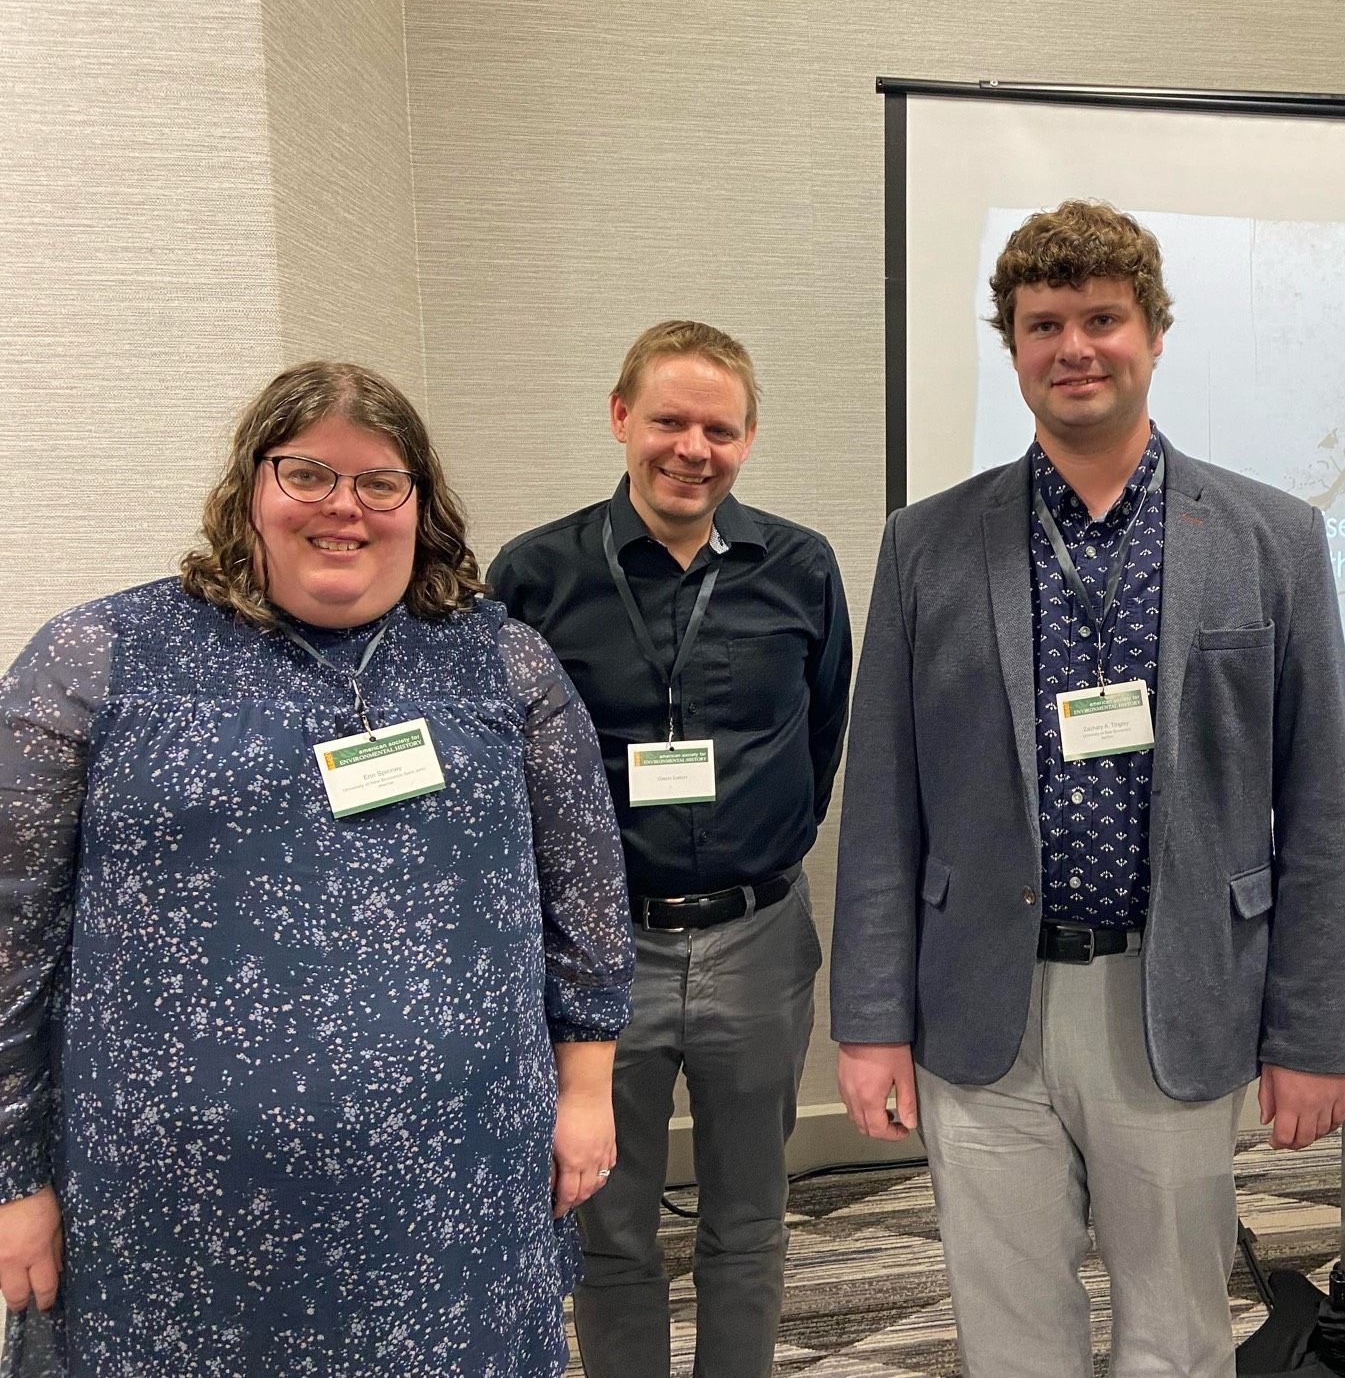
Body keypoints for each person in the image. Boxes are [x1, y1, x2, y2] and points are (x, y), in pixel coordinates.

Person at [0, 361, 634, 1374]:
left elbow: (588, 898)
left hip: (452, 1211)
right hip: (170, 1231)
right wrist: (12, 1179)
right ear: (249, 488)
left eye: (380, 481)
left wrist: (586, 1092)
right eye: (307, 475)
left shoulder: (500, 664)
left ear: (420, 506)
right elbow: (9, 939)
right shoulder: (99, 660)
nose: (344, 507)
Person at [831, 200, 1345, 1377]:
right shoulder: (927, 545)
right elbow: (881, 805)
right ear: (1012, 347)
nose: (1073, 346)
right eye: (1041, 324)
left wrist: (1313, 1034)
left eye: (1101, 318)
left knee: (1175, 1327)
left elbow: (1319, 811)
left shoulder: (1272, 539)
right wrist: (868, 1020)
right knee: (1010, 1324)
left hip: (1171, 993)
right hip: (981, 997)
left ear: (1153, 334)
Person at [489, 319, 852, 1377]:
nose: (692, 448)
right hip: (601, 955)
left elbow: (821, 733)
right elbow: (505, 761)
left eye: (719, 428)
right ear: (619, 418)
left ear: (747, 439)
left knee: (750, 1212)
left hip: (758, 936)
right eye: (668, 421)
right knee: (605, 1218)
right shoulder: (535, 574)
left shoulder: (799, 565)